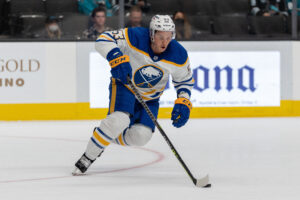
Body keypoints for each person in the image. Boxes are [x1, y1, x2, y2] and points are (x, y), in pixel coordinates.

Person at [72, 15, 194, 175]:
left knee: (141, 137)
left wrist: (183, 100)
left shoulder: (178, 54)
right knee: (118, 120)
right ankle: (88, 157)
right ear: (151, 34)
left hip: (150, 99)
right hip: (125, 86)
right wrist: (115, 57)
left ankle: (106, 135)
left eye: (168, 37)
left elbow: (184, 80)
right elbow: (103, 39)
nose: (165, 42)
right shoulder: (135, 36)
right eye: (160, 37)